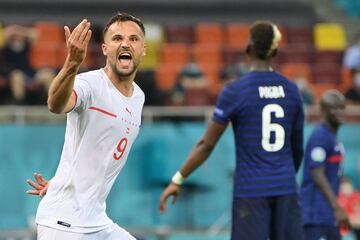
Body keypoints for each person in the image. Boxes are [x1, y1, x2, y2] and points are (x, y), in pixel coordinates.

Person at [159, 21, 305, 240]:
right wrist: (282, 177)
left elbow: (206, 145)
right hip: (285, 188)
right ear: (275, 51)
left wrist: (178, 179)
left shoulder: (235, 91)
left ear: (248, 48)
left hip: (251, 191)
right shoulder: (292, 90)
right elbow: (297, 148)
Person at [25, 12, 146, 240]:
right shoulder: (89, 84)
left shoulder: (138, 96)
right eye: (117, 38)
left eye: (133, 39)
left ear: (143, 49)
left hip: (96, 221)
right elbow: (56, 104)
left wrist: (62, 180)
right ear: (104, 49)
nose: (125, 44)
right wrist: (72, 63)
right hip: (63, 223)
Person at [300, 90, 350, 240]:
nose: (339, 112)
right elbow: (317, 174)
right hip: (316, 215)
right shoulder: (320, 136)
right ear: (323, 111)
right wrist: (337, 208)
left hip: (327, 216)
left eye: (342, 107)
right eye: (334, 108)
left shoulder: (332, 137)